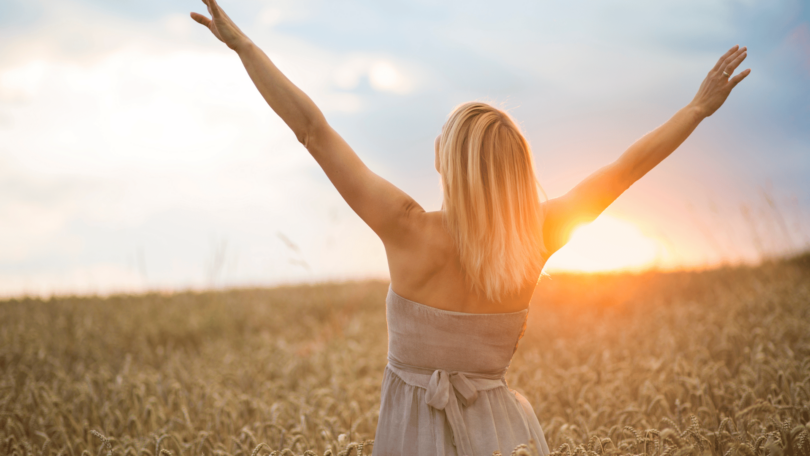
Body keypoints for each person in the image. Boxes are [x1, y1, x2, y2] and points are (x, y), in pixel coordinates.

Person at [190, 1, 750, 454]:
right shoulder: (534, 239)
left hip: (410, 440)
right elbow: (625, 171)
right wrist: (696, 109)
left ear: (448, 159)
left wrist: (246, 48)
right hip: (505, 440)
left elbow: (312, 130)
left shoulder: (405, 227)